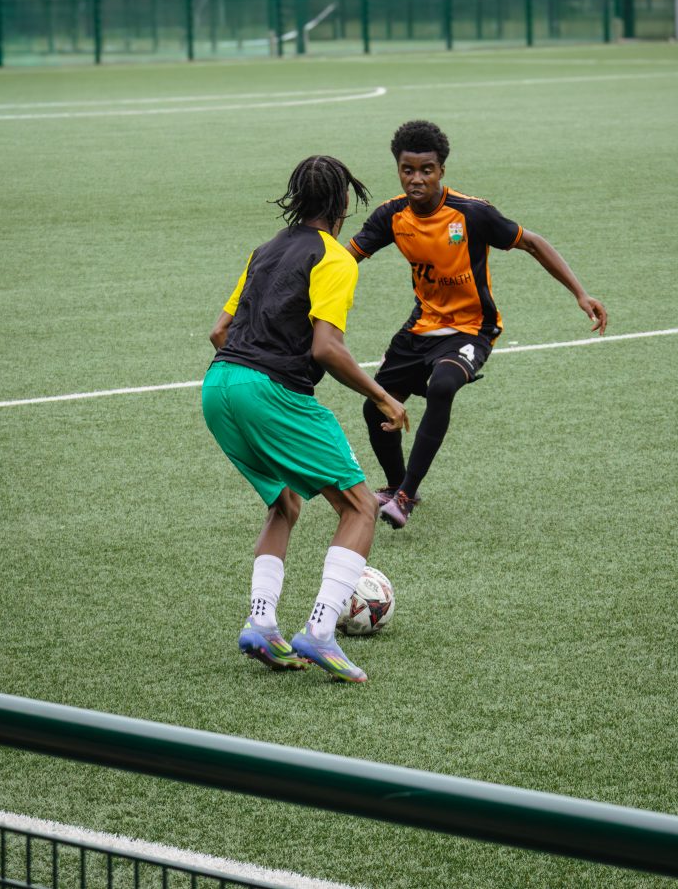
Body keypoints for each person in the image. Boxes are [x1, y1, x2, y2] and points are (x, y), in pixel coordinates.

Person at [203, 156, 408, 683]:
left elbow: (219, 332)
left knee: (284, 502)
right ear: (344, 203)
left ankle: (261, 622)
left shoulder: (264, 251)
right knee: (360, 506)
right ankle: (319, 631)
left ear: (296, 197)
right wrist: (384, 397)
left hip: (218, 386)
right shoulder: (336, 258)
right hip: (268, 391)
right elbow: (326, 348)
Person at [346, 120, 607, 530]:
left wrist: (580, 292)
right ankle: (395, 484)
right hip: (421, 328)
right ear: (398, 169)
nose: (417, 179)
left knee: (443, 385)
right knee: (373, 403)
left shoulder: (472, 213)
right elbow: (347, 260)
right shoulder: (391, 216)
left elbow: (533, 242)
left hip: (472, 328)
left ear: (442, 171)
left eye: (426, 170)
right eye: (407, 170)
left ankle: (407, 495)